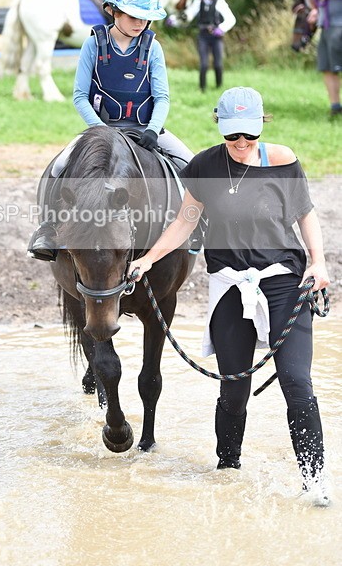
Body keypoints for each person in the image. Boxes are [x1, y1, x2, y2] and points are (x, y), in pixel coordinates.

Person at [128, 86, 331, 506]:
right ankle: (227, 470)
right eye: (232, 136)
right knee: (233, 391)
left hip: (283, 280)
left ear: (261, 128)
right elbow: (186, 220)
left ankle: (315, 482)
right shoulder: (204, 165)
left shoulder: (283, 160)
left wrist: (319, 263)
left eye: (249, 137)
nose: (241, 145)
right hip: (229, 284)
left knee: (296, 381)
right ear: (220, 126)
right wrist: (148, 259)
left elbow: (306, 213)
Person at [28, 0, 194, 261]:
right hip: (102, 129)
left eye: (146, 17)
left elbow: (162, 97)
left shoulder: (153, 48)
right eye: (133, 16)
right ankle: (48, 229)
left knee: (191, 163)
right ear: (112, 10)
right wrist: (100, 131)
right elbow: (79, 95)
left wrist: (153, 129)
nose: (140, 23)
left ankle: (195, 227)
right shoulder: (94, 43)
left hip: (146, 129)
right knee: (60, 166)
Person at [182, 0, 236, 92]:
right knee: (204, 64)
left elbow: (231, 19)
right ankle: (202, 88)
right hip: (203, 36)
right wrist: (177, 19)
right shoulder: (198, 2)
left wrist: (221, 29)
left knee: (218, 64)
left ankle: (219, 86)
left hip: (216, 36)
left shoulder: (220, 3)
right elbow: (188, 15)